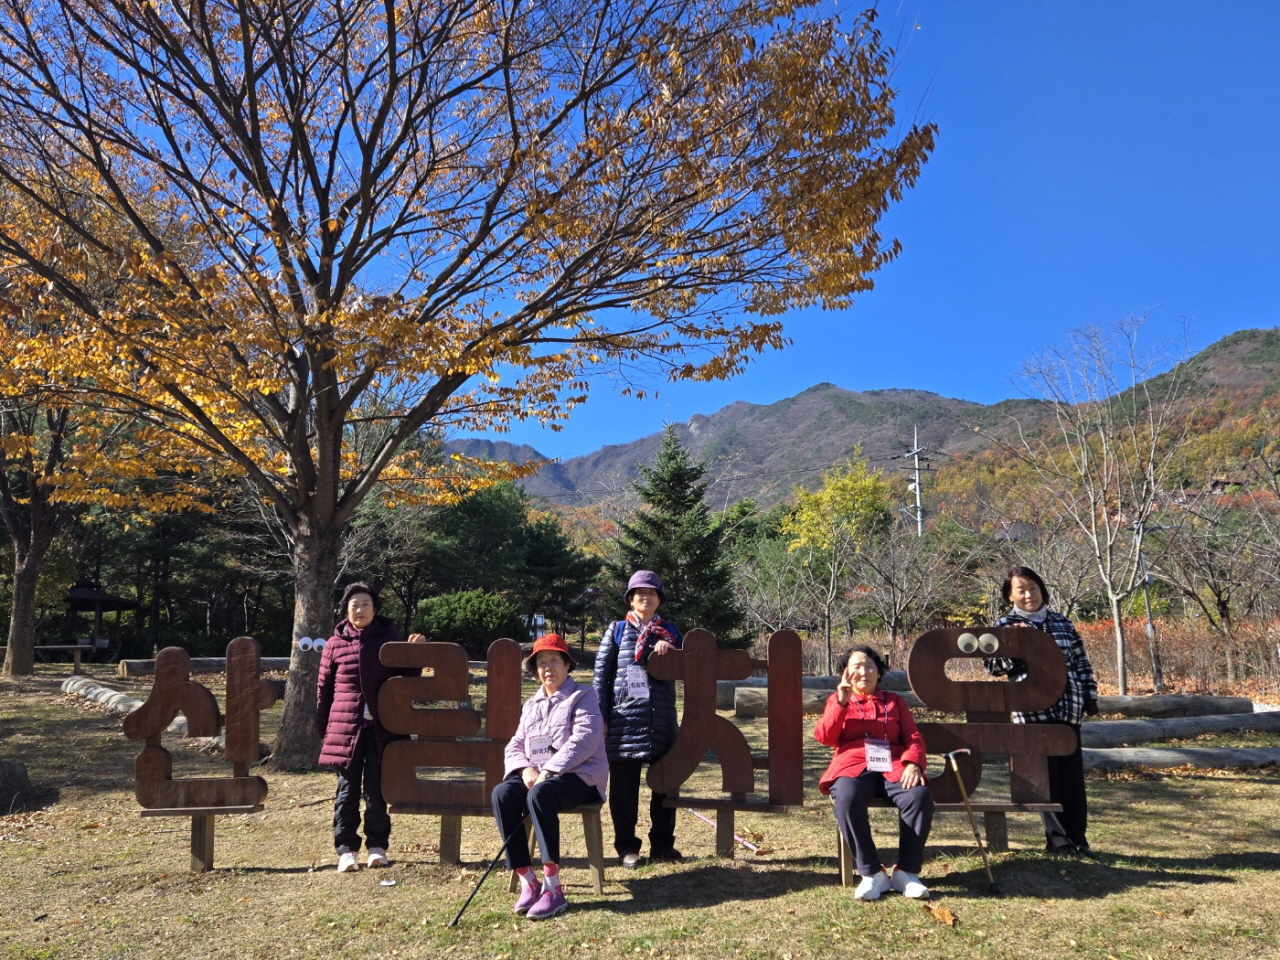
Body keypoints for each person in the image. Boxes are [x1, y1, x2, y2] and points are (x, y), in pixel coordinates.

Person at [492, 633, 608, 920]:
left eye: (554, 660)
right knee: (502, 793)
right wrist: (525, 769)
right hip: (539, 776)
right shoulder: (531, 704)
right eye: (541, 663)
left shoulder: (584, 695)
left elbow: (585, 740)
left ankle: (553, 887)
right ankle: (528, 880)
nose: (548, 668)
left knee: (540, 793)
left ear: (567, 664)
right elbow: (515, 745)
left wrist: (549, 770)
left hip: (580, 776)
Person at [986, 565, 1098, 854]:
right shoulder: (1004, 625)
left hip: (1068, 709)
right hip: (1031, 712)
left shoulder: (1062, 622)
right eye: (1021, 590)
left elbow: (1080, 662)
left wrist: (1089, 696)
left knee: (1072, 778)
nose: (1029, 595)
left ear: (1042, 590)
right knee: (1047, 779)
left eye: (1033, 588)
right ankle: (1058, 841)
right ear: (1010, 596)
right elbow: (992, 667)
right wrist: (1017, 645)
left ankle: (1079, 839)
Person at [315, 582, 422, 873]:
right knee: (347, 791)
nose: (360, 610)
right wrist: (324, 729)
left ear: (375, 610)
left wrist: (416, 654)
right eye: (354, 605)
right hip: (344, 729)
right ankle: (346, 850)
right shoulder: (334, 644)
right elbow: (323, 690)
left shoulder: (389, 639)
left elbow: (406, 680)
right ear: (345, 610)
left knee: (377, 791)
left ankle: (377, 847)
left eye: (366, 604)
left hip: (382, 728)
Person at [815, 646, 933, 901]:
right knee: (846, 797)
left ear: (879, 672)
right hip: (853, 765)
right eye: (856, 666)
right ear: (846, 672)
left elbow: (912, 736)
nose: (863, 672)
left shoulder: (894, 701)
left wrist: (913, 762)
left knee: (918, 795)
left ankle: (906, 873)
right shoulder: (838, 700)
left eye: (869, 666)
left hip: (894, 764)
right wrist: (841, 702)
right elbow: (825, 737)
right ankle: (871, 873)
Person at [592, 569, 685, 868]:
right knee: (624, 789)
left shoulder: (670, 631)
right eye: (640, 593)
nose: (646, 597)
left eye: (652, 593)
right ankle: (627, 848)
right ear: (630, 599)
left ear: (659, 599)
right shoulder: (617, 630)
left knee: (666, 783)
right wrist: (601, 717)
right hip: (623, 722)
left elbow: (690, 665)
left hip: (661, 720)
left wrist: (671, 651)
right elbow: (600, 677)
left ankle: (663, 845)